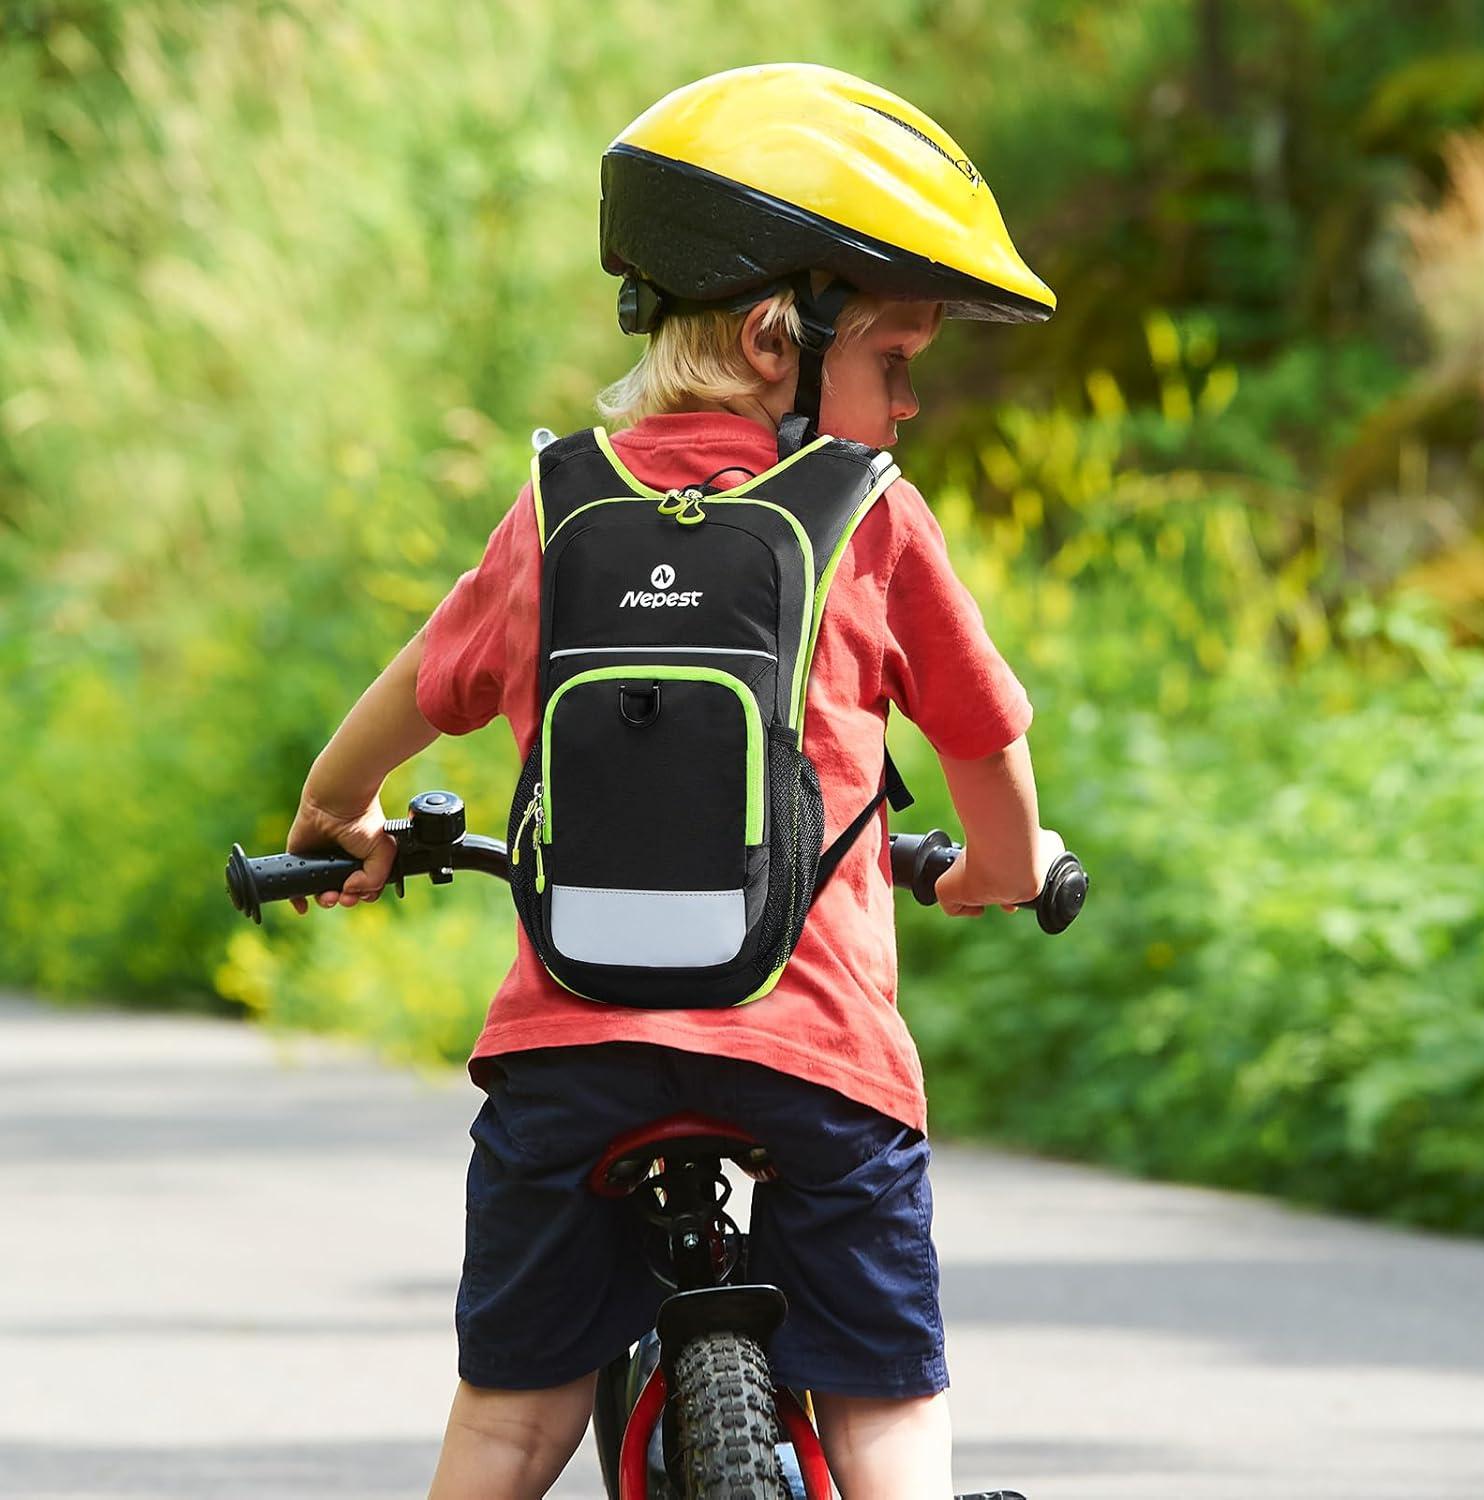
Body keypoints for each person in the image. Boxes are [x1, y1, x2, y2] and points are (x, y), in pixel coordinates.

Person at [285, 64, 1064, 1500]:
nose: (903, 405)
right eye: (893, 360)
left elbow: (409, 698)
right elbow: (988, 749)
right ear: (780, 337)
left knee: (510, 1420)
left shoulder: (557, 508)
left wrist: (337, 817)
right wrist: (1003, 869)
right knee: (886, 1403)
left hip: (568, 1054)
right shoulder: (868, 520)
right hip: (815, 1056)